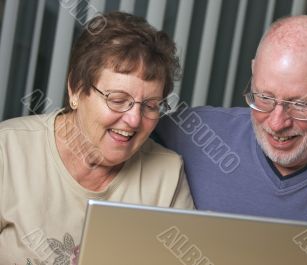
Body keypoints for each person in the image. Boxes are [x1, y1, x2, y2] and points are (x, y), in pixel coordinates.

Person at [156, 15, 307, 265]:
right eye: (264, 97)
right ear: (253, 73)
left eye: (300, 104)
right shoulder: (192, 133)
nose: (277, 123)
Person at [0, 11, 193, 265]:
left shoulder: (167, 175)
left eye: (150, 105)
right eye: (117, 100)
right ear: (76, 90)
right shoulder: (8, 150)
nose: (134, 119)